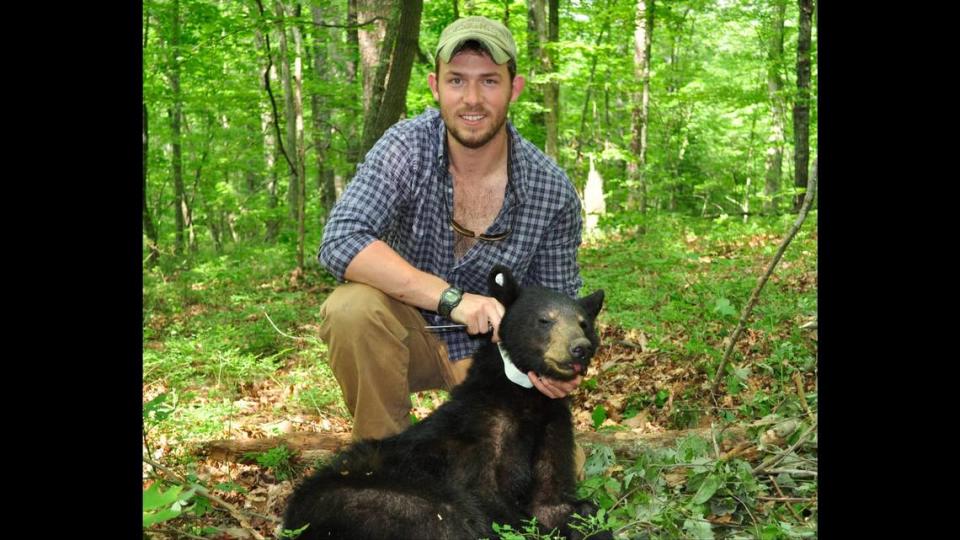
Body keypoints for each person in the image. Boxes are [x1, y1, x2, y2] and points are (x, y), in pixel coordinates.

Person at [316, 15, 586, 442]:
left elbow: (561, 305)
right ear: (435, 86)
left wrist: (558, 368)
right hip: (406, 332)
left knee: (552, 474)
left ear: (514, 88)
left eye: (489, 82)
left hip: (492, 355)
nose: (472, 99)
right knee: (351, 310)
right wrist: (452, 300)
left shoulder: (550, 189)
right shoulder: (405, 149)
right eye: (457, 81)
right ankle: (384, 457)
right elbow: (341, 240)